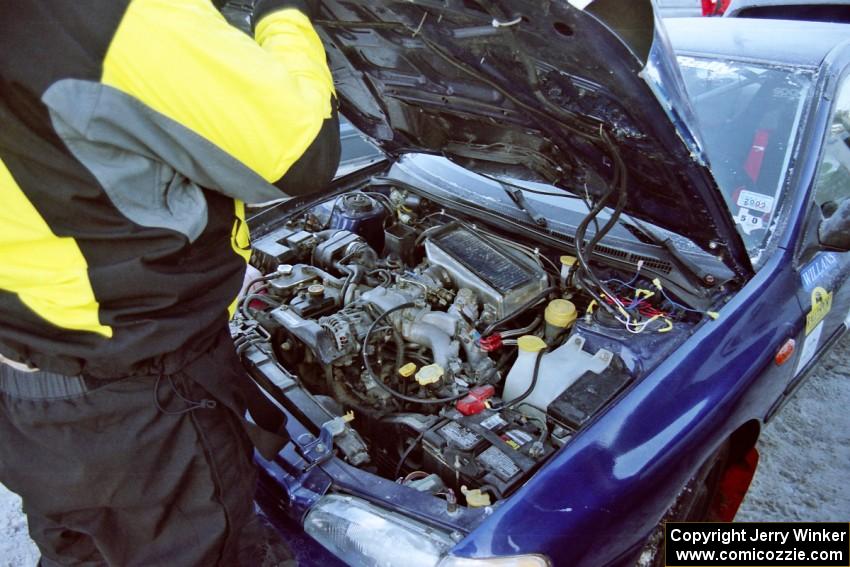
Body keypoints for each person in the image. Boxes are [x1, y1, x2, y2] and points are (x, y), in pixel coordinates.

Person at [0, 0, 339, 564]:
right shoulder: (114, 15)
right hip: (141, 408)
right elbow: (301, 154)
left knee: (87, 548)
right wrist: (284, 14)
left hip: (30, 387)